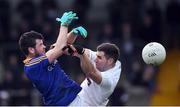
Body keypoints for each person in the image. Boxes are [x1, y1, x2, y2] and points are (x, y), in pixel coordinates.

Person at [18, 11, 87, 106]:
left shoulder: (43, 56)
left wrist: (74, 33)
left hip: (75, 97)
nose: (44, 46)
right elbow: (60, 47)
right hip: (64, 103)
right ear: (31, 50)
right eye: (40, 44)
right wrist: (64, 24)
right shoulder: (31, 66)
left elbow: (63, 44)